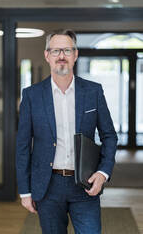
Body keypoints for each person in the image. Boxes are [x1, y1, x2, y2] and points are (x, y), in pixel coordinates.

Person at [16, 29, 118, 234]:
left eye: (67, 50)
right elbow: (23, 146)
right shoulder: (31, 95)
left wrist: (103, 172)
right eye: (55, 51)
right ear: (47, 55)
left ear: (75, 55)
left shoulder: (93, 91)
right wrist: (25, 191)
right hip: (48, 186)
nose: (61, 56)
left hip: (85, 184)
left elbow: (109, 136)